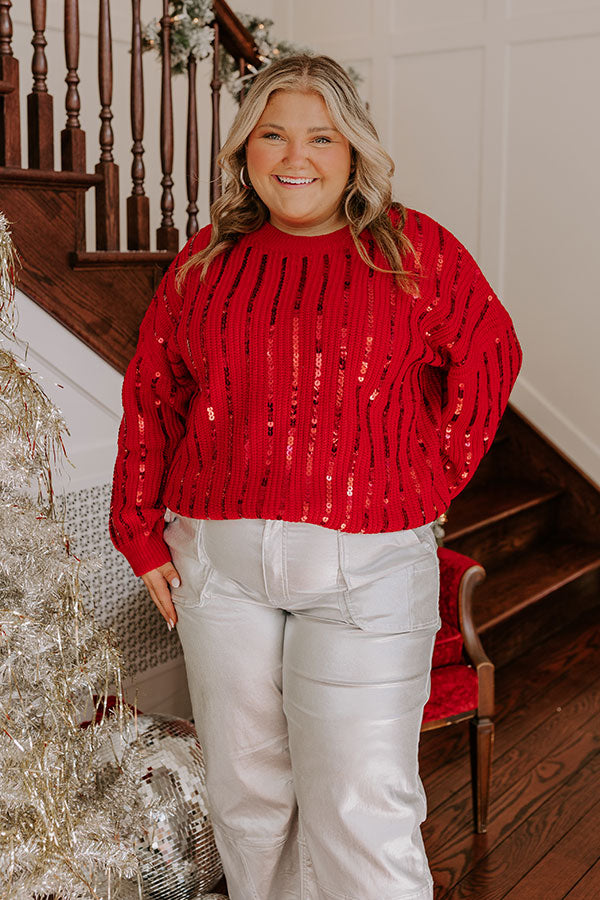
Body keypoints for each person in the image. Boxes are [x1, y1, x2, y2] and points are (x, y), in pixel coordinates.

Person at [109, 53, 522, 900]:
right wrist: (139, 530)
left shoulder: (413, 250)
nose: (295, 156)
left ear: (354, 148)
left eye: (321, 137)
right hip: (218, 566)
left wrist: (430, 476)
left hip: (368, 567)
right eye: (273, 135)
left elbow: (490, 354)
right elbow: (154, 392)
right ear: (246, 150)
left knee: (361, 807)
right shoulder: (205, 262)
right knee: (248, 799)